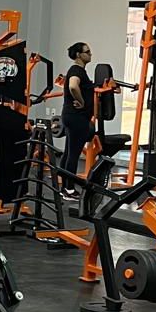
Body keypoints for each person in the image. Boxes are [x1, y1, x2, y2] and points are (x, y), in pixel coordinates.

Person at [60, 42, 95, 201]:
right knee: (73, 155)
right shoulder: (76, 70)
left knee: (68, 153)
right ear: (78, 55)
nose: (90, 54)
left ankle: (64, 188)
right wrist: (81, 101)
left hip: (71, 116)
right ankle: (69, 189)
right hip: (76, 118)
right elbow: (73, 86)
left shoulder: (78, 71)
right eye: (87, 52)